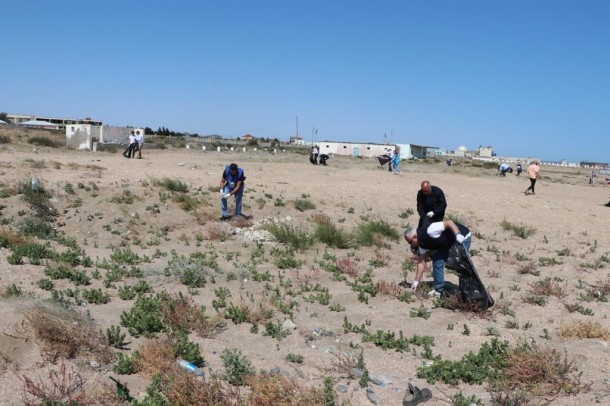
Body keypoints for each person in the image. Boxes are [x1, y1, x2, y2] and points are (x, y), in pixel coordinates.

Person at [404, 219, 472, 298]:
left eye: (410, 242)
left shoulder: (430, 230)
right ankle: (438, 290)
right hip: (445, 243)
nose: (411, 245)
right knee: (437, 262)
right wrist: (416, 281)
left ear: (415, 237)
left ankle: (467, 289)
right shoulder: (422, 244)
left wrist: (458, 234)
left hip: (463, 236)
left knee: (461, 264)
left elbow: (449, 222)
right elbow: (421, 262)